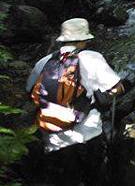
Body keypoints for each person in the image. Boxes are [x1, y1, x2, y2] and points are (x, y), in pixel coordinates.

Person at [25, 17, 124, 185]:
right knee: (95, 176)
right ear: (84, 40)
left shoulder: (44, 62)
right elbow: (116, 88)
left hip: (52, 135)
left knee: (66, 179)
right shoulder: (91, 58)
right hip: (87, 133)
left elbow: (29, 90)